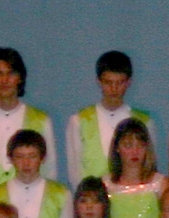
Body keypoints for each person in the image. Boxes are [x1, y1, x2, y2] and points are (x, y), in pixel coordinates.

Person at [0, 47, 59, 201]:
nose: (4, 80)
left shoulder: (41, 120)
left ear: (20, 78)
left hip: (32, 204)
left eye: (11, 73)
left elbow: (49, 171)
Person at [66, 51, 157, 186]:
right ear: (98, 81)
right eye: (108, 82)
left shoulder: (144, 122)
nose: (114, 89)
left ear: (129, 82)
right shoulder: (79, 121)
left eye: (120, 83)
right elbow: (75, 174)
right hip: (94, 196)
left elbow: (149, 166)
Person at [105, 118, 169, 218]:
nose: (135, 152)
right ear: (117, 148)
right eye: (128, 145)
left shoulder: (160, 184)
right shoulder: (106, 186)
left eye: (140, 145)